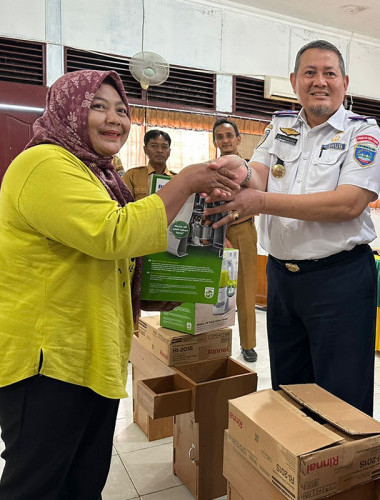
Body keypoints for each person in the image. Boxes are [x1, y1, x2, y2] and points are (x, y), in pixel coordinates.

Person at [0, 70, 235, 499]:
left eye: (122, 110)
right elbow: (114, 234)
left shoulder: (99, 174)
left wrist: (155, 290)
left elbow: (108, 258)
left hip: (92, 352)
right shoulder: (44, 164)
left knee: (83, 480)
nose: (114, 119)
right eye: (97, 106)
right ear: (67, 110)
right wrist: (186, 183)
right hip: (48, 362)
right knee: (36, 486)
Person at [204, 39, 380, 416]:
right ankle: (298, 470)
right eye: (310, 73)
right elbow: (257, 173)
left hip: (339, 280)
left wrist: (261, 201)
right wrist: (238, 172)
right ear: (294, 81)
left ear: (345, 82)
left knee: (342, 396)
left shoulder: (362, 133)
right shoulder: (282, 125)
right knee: (289, 389)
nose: (319, 81)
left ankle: (339, 473)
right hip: (284, 279)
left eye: (329, 73)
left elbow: (348, 203)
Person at [212, 117, 258, 363]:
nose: (225, 140)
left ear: (239, 139)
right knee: (210, 289)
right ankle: (209, 340)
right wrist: (219, 235)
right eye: (219, 136)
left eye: (229, 135)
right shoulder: (209, 169)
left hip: (242, 231)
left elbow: (259, 202)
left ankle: (248, 344)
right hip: (214, 234)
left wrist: (231, 221)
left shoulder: (251, 170)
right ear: (215, 141)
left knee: (246, 290)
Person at [122, 129, 175, 200]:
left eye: (164, 147)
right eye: (154, 146)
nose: (160, 150)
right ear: (145, 150)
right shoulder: (132, 175)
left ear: (169, 151)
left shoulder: (176, 179)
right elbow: (123, 204)